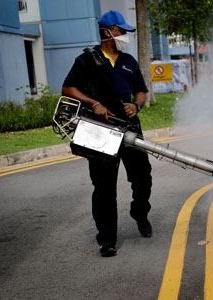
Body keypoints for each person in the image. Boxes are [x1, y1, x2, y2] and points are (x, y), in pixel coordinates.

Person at [62, 10, 153, 257]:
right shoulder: (86, 61)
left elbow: (141, 91)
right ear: (107, 32)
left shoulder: (129, 61)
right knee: (103, 187)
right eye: (121, 31)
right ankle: (107, 239)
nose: (125, 35)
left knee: (143, 177)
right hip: (99, 131)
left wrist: (137, 105)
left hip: (130, 128)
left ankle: (140, 213)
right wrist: (93, 103)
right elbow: (68, 88)